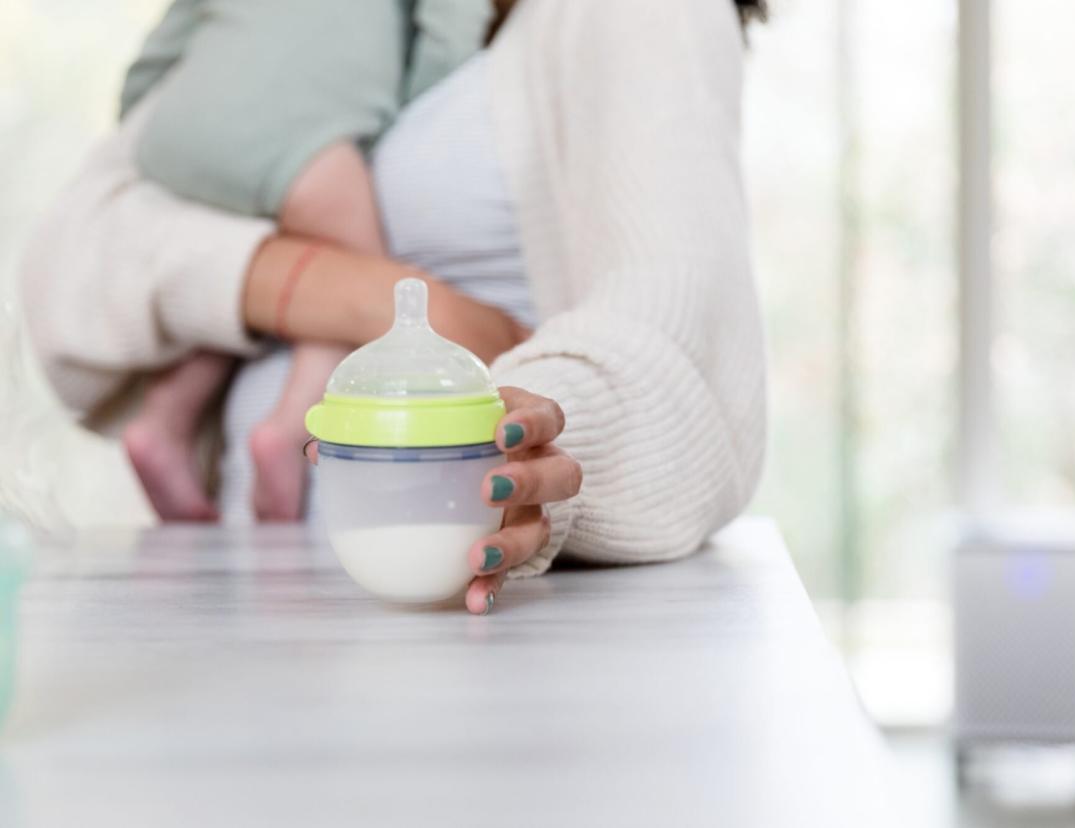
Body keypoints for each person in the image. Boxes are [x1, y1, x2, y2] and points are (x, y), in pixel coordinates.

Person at [20, 0, 768, 615]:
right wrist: (387, 303)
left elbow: (682, 340)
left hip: (473, 625)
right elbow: (69, 266)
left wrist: (527, 435)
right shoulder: (329, 25)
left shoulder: (644, 15)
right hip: (261, 607)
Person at [117, 0, 493, 523]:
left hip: (176, 130)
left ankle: (162, 424)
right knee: (352, 281)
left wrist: (146, 130)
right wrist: (404, 118)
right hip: (305, 134)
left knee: (241, 274)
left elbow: (160, 52)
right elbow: (450, 29)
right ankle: (288, 432)